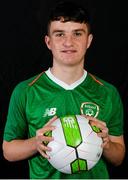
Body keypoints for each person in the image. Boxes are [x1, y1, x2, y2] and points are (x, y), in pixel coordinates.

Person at [2, 0, 125, 179]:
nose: (69, 42)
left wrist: (106, 144)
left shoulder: (108, 92)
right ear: (48, 42)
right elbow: (8, 151)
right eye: (59, 34)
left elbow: (119, 157)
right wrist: (35, 143)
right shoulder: (26, 91)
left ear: (88, 40)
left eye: (77, 33)